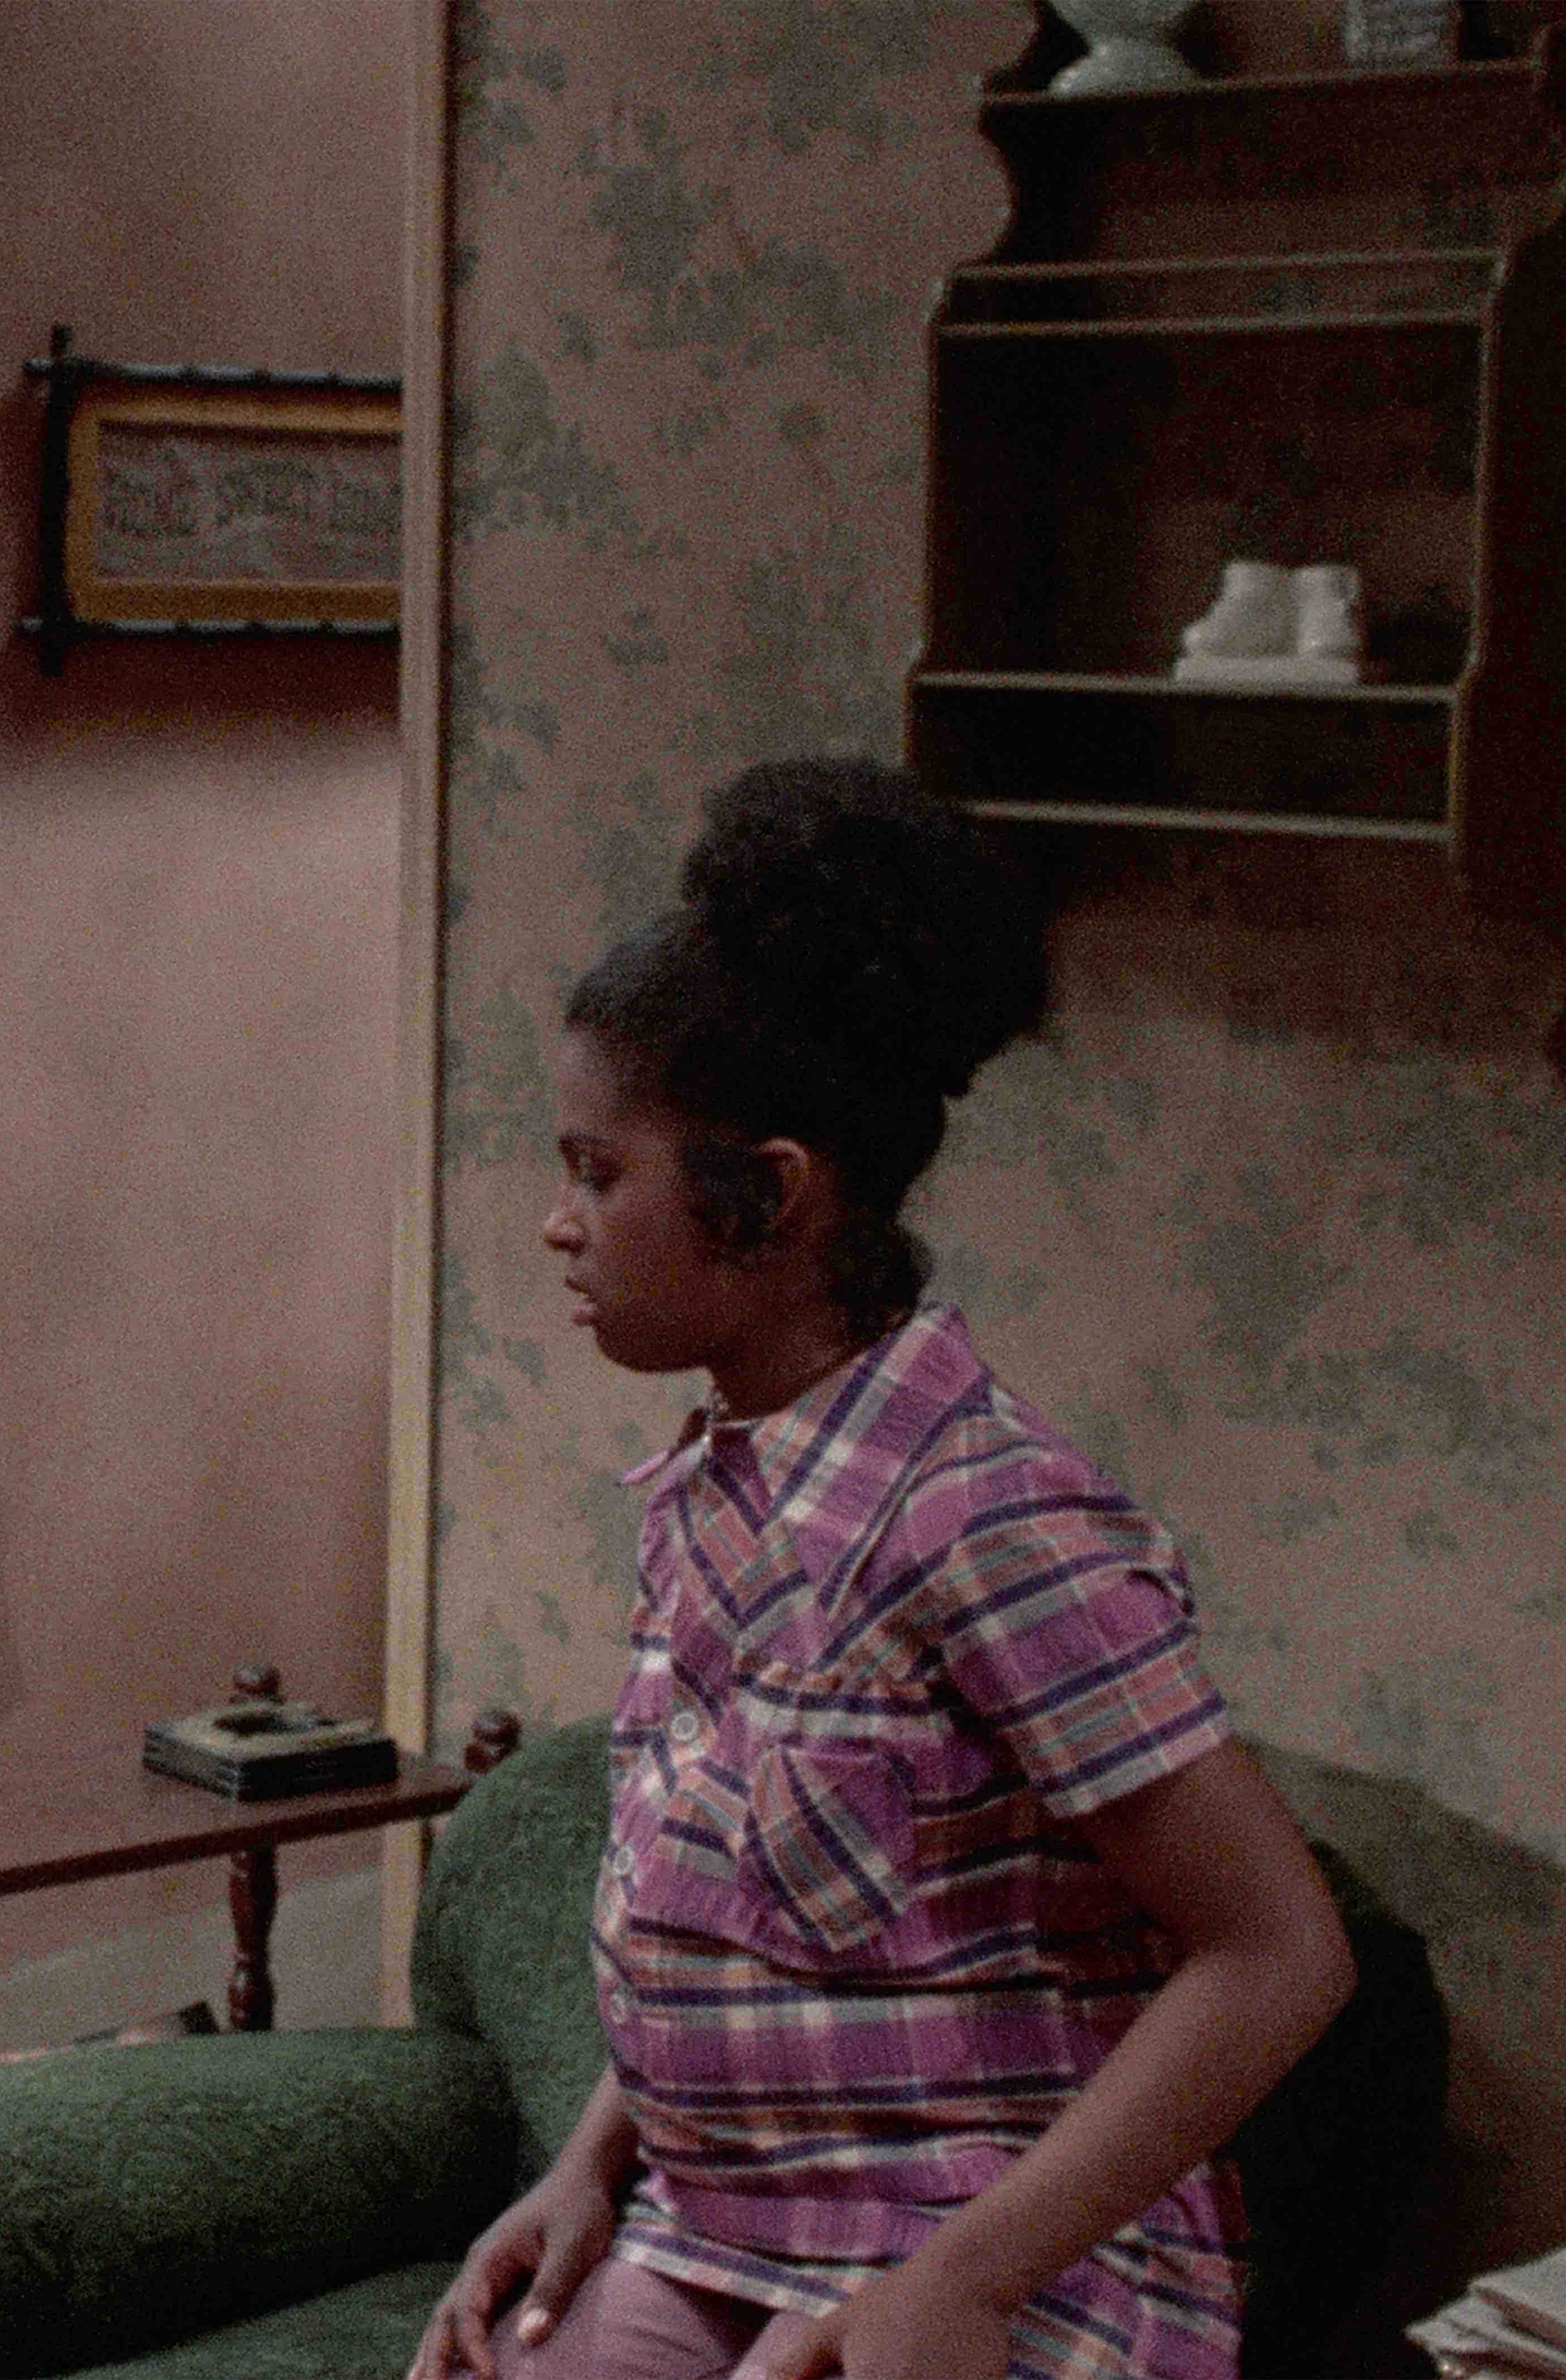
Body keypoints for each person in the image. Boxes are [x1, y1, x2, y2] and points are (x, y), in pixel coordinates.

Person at [413, 761, 1355, 2380]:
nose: (561, 1224)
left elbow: (1281, 1952)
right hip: (724, 2226)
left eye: (598, 1171)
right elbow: (731, 1921)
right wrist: (586, 2169)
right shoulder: (709, 1497)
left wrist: (965, 2283)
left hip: (998, 2243)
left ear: (772, 1194)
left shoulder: (989, 1517)